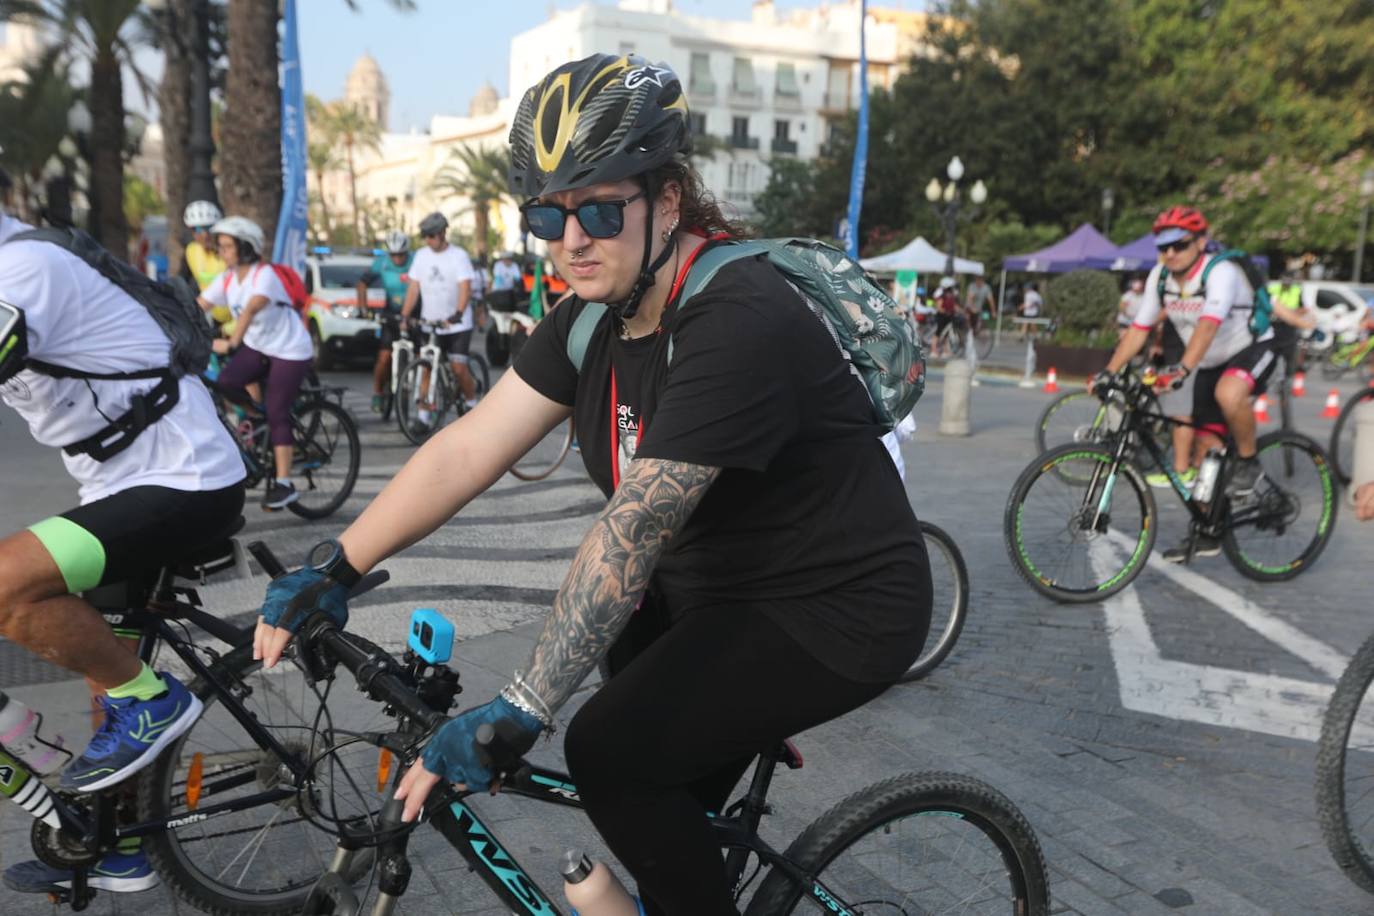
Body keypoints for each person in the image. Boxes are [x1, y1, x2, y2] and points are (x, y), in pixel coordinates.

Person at [250, 53, 930, 916]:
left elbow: (633, 530)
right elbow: (467, 447)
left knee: (611, 751)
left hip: (835, 606)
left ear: (668, 200)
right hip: (707, 594)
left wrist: (519, 708)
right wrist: (336, 568)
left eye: (602, 209)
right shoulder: (589, 319)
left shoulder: (737, 317)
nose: (573, 240)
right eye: (548, 215)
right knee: (649, 761)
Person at [0, 208, 245, 893]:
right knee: (100, 659)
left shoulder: (23, 269)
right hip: (118, 484)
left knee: (6, 585)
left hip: (188, 478)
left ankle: (154, 699)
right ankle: (118, 845)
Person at [1096, 205, 1277, 563]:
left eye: (1180, 245)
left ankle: (1249, 462)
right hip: (1207, 360)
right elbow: (1139, 329)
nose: (1171, 253)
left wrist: (1180, 370)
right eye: (1163, 247)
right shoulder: (1159, 277)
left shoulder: (1219, 272)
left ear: (1201, 242)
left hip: (1251, 348)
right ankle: (1208, 530)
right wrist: (1109, 371)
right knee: (1207, 449)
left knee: (1229, 393)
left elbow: (1208, 325)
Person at [196, 216, 315, 509]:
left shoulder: (264, 276)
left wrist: (233, 341)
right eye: (220, 246)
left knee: (277, 411)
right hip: (260, 346)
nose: (221, 252)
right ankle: (258, 419)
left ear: (246, 248)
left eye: (227, 246)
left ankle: (285, 484)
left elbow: (251, 309)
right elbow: (200, 304)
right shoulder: (228, 277)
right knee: (226, 382)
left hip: (289, 349)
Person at [401, 212, 479, 421]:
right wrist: (405, 316)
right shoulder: (420, 256)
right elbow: (413, 289)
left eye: (431, 235)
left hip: (456, 325)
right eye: (425, 236)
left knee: (458, 367)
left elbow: (465, 287)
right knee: (426, 367)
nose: (428, 240)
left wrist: (459, 313)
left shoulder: (459, 256)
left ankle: (472, 404)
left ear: (443, 232)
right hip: (431, 323)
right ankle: (423, 416)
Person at [358, 230, 416, 412]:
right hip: (390, 313)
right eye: (394, 255)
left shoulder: (416, 261)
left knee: (423, 355)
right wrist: (363, 307)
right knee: (384, 358)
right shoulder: (381, 263)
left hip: (414, 313)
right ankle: (377, 392)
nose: (397, 258)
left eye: (401, 254)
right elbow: (361, 284)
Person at [1265, 273, 1314, 380]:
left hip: (1289, 327)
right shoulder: (1273, 288)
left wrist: (1291, 313)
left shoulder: (1297, 291)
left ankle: (1287, 379)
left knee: (1289, 353)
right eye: (1284, 281)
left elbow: (1304, 309)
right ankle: (1266, 376)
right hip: (1273, 325)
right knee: (1269, 354)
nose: (1286, 284)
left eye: (1288, 282)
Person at [932, 276, 960, 358]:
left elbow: (954, 306)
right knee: (938, 333)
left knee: (946, 334)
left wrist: (959, 311)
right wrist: (945, 311)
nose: (952, 289)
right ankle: (933, 351)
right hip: (941, 317)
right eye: (951, 287)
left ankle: (945, 351)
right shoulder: (942, 295)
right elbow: (939, 307)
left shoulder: (951, 295)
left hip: (949, 316)